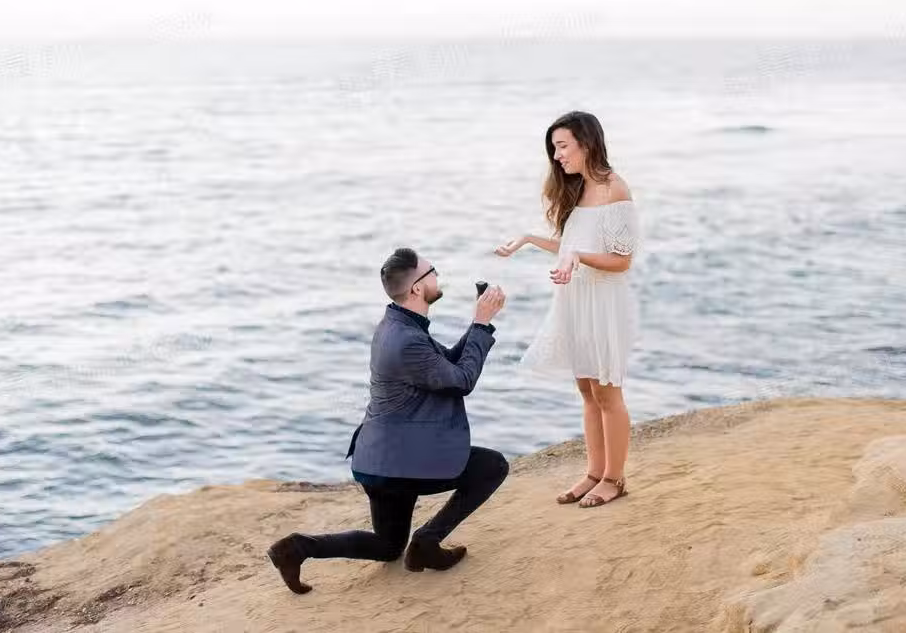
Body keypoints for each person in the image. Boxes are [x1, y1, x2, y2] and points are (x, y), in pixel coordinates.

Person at [267, 248, 509, 594]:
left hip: (378, 461)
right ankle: (427, 541)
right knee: (492, 466)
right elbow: (461, 380)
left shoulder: (398, 325)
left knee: (388, 546)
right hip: (399, 465)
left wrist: (478, 324)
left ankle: (297, 547)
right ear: (417, 288)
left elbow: (446, 366)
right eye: (432, 272)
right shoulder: (407, 340)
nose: (438, 276)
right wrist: (482, 324)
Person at [495, 110, 639, 508]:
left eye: (562, 147)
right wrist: (528, 239)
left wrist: (579, 257)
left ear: (586, 144)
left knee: (607, 392)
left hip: (603, 303)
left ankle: (613, 478)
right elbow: (572, 247)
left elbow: (622, 260)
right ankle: (594, 472)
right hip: (575, 300)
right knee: (587, 391)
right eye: (554, 149)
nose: (557, 156)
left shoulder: (614, 190)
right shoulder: (578, 188)